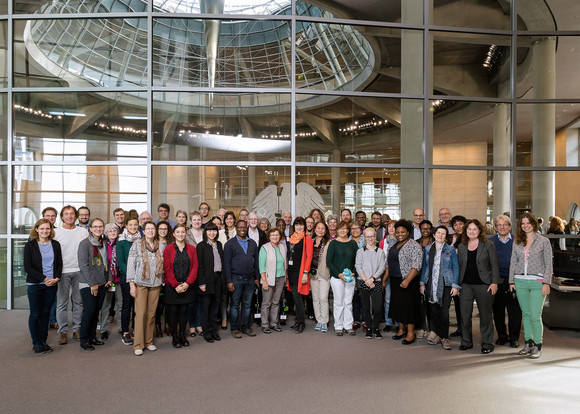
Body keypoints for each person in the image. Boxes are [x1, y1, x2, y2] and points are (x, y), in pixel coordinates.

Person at [509, 213, 553, 359]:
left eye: (528, 222)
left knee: (535, 315)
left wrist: (547, 282)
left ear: (534, 224)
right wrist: (511, 281)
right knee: (526, 314)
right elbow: (513, 262)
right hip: (520, 280)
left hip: (537, 282)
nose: (525, 225)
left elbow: (548, 264)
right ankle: (528, 342)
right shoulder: (517, 241)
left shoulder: (543, 241)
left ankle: (538, 345)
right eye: (522, 223)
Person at [457, 219, 499, 354]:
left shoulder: (488, 244)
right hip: (465, 285)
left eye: (475, 229)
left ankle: (487, 343)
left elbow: (494, 265)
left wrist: (494, 282)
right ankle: (466, 341)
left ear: (479, 231)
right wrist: (457, 285)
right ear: (466, 231)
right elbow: (459, 266)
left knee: (486, 316)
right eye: (469, 229)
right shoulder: (462, 246)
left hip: (484, 284)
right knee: (465, 315)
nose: (472, 231)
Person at [24, 219, 62, 353]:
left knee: (46, 313)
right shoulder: (30, 246)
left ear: (51, 230)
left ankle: (43, 342)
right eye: (42, 229)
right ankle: (36, 342)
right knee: (35, 314)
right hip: (35, 284)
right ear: (36, 230)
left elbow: (59, 264)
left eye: (48, 229)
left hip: (52, 284)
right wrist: (45, 278)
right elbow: (28, 267)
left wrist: (56, 279)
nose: (45, 231)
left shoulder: (56, 244)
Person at [126, 221, 164, 356]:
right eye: (148, 229)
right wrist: (131, 285)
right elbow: (131, 265)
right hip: (141, 284)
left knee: (151, 314)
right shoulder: (136, 245)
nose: (150, 231)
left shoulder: (160, 245)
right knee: (140, 313)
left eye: (153, 229)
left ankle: (148, 342)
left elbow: (163, 265)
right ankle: (138, 344)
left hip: (156, 284)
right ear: (143, 230)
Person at [419, 226, 460, 350]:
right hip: (431, 282)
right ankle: (436, 333)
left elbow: (455, 267)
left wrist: (455, 285)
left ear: (446, 236)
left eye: (443, 234)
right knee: (433, 310)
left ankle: (444, 337)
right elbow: (425, 267)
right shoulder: (427, 249)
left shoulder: (450, 249)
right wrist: (422, 283)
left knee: (444, 312)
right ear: (434, 235)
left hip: (446, 283)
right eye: (439, 233)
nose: (441, 235)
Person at [384, 220, 423, 345]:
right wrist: (384, 279)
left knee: (409, 307)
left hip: (409, 281)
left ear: (408, 232)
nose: (400, 234)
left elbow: (416, 265)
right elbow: (388, 265)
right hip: (394, 280)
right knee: (397, 306)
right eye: (398, 232)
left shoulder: (414, 245)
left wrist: (407, 280)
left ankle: (411, 333)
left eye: (403, 232)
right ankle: (401, 330)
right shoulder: (393, 245)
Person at [54, 205, 88, 345]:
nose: (69, 216)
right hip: (62, 272)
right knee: (62, 303)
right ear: (62, 217)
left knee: (78, 302)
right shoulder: (55, 233)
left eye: (72, 213)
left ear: (76, 216)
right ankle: (62, 332)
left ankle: (77, 329)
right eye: (66, 214)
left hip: (79, 271)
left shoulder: (83, 232)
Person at [163, 224, 198, 348]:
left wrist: (187, 283)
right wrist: (176, 285)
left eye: (182, 232)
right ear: (173, 234)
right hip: (173, 287)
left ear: (185, 233)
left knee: (184, 311)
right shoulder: (168, 249)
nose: (180, 234)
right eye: (177, 232)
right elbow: (167, 269)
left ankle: (182, 334)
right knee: (173, 311)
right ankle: (175, 337)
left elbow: (194, 267)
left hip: (187, 286)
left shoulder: (192, 249)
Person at [78, 218, 111, 351]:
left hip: (102, 282)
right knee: (89, 311)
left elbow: (106, 263)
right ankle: (84, 339)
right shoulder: (84, 244)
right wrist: (92, 284)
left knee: (96, 311)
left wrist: (108, 278)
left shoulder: (103, 242)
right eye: (95, 227)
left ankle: (92, 337)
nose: (98, 229)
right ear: (90, 228)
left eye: (100, 226)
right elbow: (84, 266)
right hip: (88, 283)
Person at [224, 220, 260, 338]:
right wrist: (229, 281)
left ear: (247, 228)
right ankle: (235, 329)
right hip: (235, 279)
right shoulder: (230, 244)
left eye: (244, 227)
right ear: (236, 228)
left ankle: (246, 327)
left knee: (247, 305)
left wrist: (256, 278)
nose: (242, 229)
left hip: (250, 279)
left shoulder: (253, 243)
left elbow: (256, 262)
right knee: (234, 305)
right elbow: (226, 264)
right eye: (239, 227)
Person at [490, 214, 521, 348]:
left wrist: (514, 279)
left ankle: (514, 338)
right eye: (499, 225)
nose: (502, 227)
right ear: (496, 227)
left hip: (514, 281)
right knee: (498, 311)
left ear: (510, 226)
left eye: (505, 225)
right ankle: (502, 336)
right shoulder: (490, 242)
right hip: (498, 281)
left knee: (514, 312)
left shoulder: (517, 241)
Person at [326, 221, 359, 336]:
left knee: (348, 301)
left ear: (348, 230)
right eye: (340, 229)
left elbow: (357, 260)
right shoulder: (333, 244)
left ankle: (348, 325)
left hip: (350, 277)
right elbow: (329, 262)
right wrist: (339, 274)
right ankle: (338, 326)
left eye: (345, 228)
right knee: (338, 301)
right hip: (337, 277)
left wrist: (354, 273)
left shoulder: (353, 243)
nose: (343, 231)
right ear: (337, 230)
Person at [196, 223, 224, 342]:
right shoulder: (201, 246)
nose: (212, 233)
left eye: (214, 230)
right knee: (205, 307)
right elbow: (199, 266)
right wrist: (201, 283)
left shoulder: (219, 244)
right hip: (206, 280)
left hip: (218, 279)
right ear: (205, 232)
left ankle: (214, 331)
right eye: (209, 231)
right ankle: (206, 332)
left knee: (215, 307)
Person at [355, 228, 386, 339]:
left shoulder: (380, 252)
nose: (370, 239)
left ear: (375, 237)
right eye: (367, 236)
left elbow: (382, 267)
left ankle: (376, 328)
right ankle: (369, 328)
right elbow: (358, 266)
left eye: (372, 236)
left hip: (376, 281)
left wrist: (372, 279)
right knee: (366, 307)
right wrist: (366, 280)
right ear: (364, 238)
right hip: (363, 281)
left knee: (377, 308)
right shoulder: (360, 251)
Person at [116, 216, 141, 345]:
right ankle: (125, 332)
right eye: (130, 225)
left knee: (138, 306)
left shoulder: (141, 240)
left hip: (140, 278)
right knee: (127, 305)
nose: (133, 227)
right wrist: (132, 276)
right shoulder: (121, 241)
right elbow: (120, 262)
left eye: (135, 225)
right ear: (126, 226)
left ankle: (137, 330)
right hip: (126, 278)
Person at [285, 217, 313, 334]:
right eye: (297, 225)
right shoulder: (291, 239)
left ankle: (301, 323)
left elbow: (309, 257)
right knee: (296, 298)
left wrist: (306, 273)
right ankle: (298, 321)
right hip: (290, 272)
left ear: (304, 226)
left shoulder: (307, 239)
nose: (299, 227)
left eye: (301, 225)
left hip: (300, 272)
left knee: (298, 298)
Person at [258, 228, 287, 334]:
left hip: (281, 278)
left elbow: (284, 264)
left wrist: (285, 278)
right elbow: (261, 266)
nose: (275, 237)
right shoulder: (264, 248)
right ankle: (265, 324)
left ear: (280, 236)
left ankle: (274, 323)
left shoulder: (282, 247)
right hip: (269, 279)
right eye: (272, 235)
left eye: (277, 235)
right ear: (269, 237)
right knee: (266, 303)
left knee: (276, 302)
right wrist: (264, 281)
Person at [98, 223, 121, 341]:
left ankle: (122, 328)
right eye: (110, 231)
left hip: (120, 278)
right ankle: (104, 329)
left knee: (120, 305)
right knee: (106, 306)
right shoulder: (102, 245)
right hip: (107, 280)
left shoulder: (121, 243)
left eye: (114, 231)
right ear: (106, 233)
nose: (112, 233)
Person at [310, 222, 331, 333]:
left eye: (323, 228)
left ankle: (324, 321)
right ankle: (319, 320)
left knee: (323, 298)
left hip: (324, 272)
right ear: (315, 229)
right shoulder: (311, 241)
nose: (320, 230)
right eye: (318, 228)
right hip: (313, 273)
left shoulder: (329, 242)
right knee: (315, 298)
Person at [448, 215, 467, 337]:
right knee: (458, 305)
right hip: (455, 276)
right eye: (455, 225)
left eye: (460, 224)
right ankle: (460, 328)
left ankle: (465, 330)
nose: (458, 226)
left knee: (465, 306)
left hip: (465, 276)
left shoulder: (468, 238)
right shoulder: (453, 238)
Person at [41, 207, 59, 330]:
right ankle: (43, 320)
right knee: (41, 299)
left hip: (54, 271)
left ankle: (53, 320)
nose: (50, 218)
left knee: (54, 298)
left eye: (53, 216)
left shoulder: (58, 232)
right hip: (40, 274)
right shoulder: (38, 232)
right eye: (48, 216)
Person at [155, 221, 173, 337]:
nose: (163, 231)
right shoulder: (153, 242)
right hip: (157, 277)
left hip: (169, 277)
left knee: (168, 303)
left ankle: (168, 325)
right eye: (161, 228)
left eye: (165, 229)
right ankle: (157, 326)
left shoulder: (171, 242)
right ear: (157, 230)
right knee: (157, 304)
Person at [379, 219, 397, 332]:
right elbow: (380, 259)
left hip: (398, 274)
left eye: (394, 226)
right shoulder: (382, 242)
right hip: (386, 274)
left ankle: (399, 323)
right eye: (389, 226)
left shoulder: (402, 241)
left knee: (399, 299)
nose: (391, 228)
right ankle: (388, 322)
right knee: (388, 299)